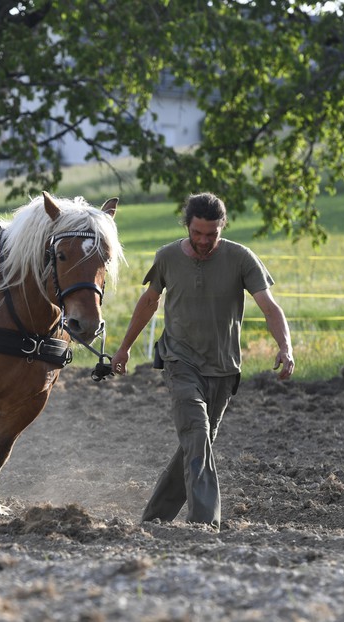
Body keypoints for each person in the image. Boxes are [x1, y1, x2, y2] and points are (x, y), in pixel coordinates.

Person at [111, 192, 294, 529]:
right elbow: (149, 301)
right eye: (197, 233)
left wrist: (285, 346)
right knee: (197, 432)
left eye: (212, 234)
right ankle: (204, 523)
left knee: (195, 446)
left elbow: (269, 307)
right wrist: (123, 348)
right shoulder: (167, 257)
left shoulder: (241, 258)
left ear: (221, 228)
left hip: (224, 370)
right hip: (180, 362)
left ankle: (154, 519)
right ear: (187, 226)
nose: (204, 241)